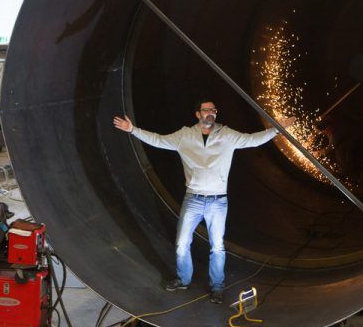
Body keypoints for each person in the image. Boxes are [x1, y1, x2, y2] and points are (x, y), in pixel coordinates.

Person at [113, 100, 294, 305]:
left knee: (217, 247)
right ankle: (183, 279)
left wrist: (276, 130)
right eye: (206, 110)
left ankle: (217, 287)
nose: (210, 113)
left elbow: (253, 140)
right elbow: (158, 140)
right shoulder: (184, 136)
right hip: (193, 199)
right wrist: (132, 130)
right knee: (182, 243)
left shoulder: (227, 135)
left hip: (218, 201)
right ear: (198, 114)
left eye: (214, 111)